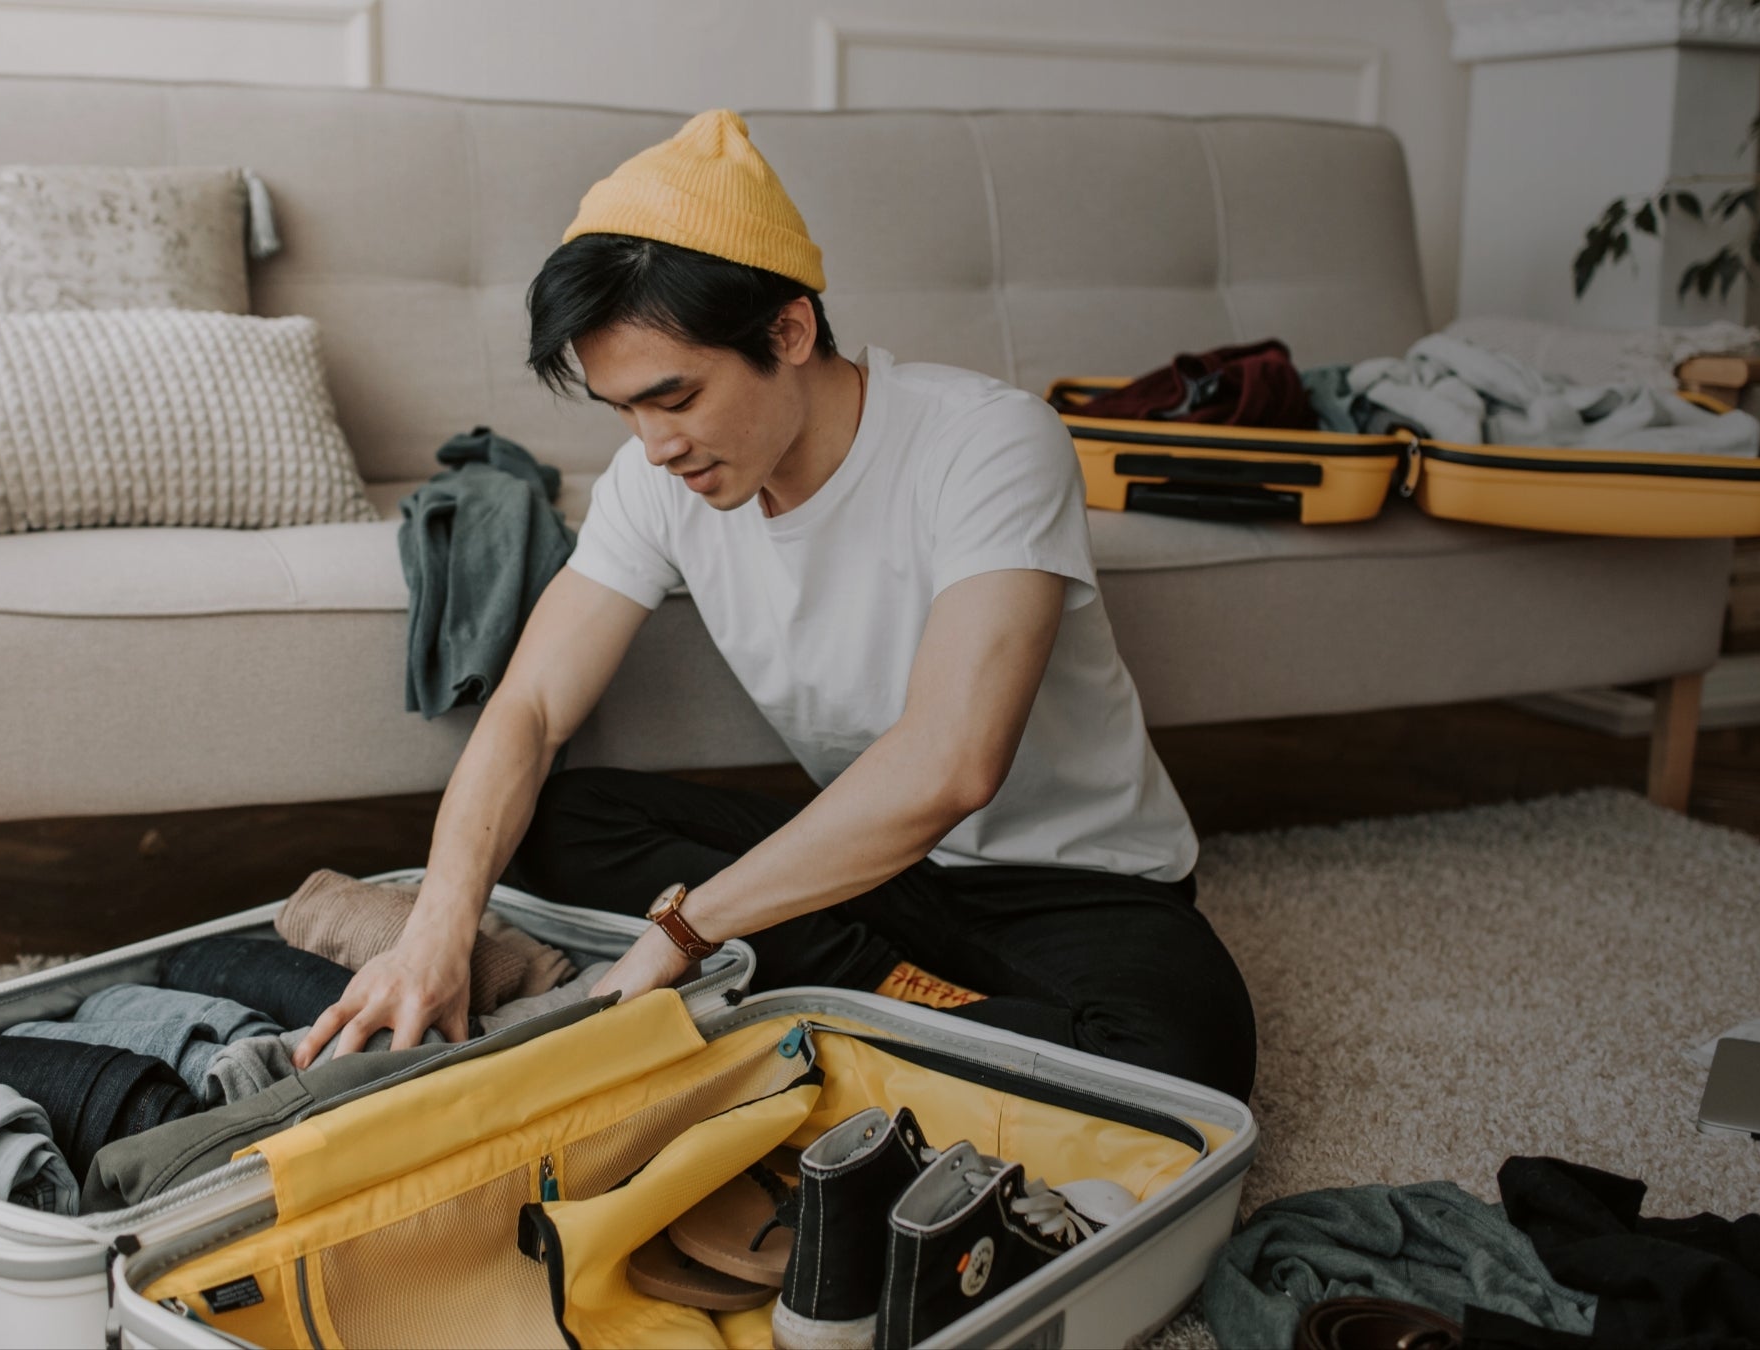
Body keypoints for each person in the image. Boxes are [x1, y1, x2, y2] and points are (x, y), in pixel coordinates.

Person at [297, 110, 1255, 1096]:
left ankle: (826, 1004)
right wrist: (434, 937)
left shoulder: (990, 444)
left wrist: (685, 928)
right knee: (557, 819)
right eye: (622, 408)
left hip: (1074, 888)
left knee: (1182, 1068)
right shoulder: (654, 478)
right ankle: (894, 1006)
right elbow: (532, 711)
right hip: (867, 873)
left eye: (674, 397)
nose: (653, 441)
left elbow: (951, 766)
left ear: (788, 330)